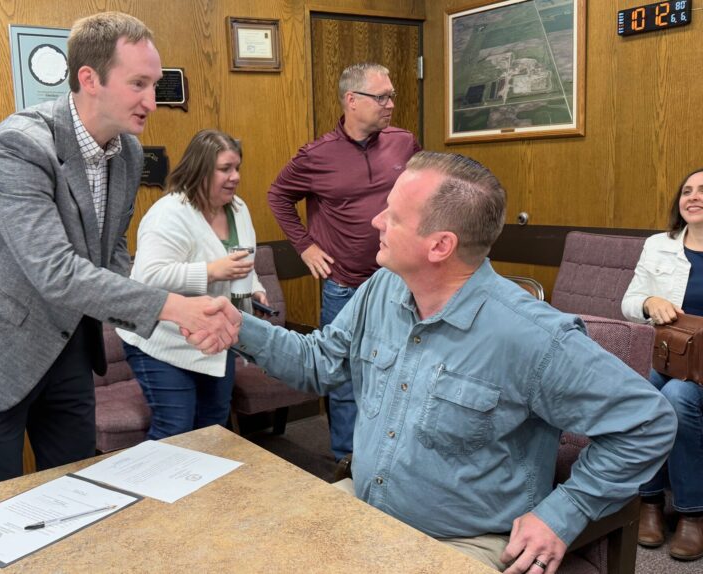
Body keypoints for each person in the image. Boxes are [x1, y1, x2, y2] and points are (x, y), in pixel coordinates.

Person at [232, 151, 676, 572]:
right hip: (364, 506)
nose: (376, 221)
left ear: (440, 245)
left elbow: (648, 422)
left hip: (465, 541)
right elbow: (319, 363)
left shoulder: (531, 335)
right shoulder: (381, 289)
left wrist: (566, 511)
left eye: (393, 215)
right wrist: (235, 327)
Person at [0, 13, 240, 490]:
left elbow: (112, 255)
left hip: (70, 349)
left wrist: (175, 317)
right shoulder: (19, 145)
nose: (151, 101)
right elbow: (56, 271)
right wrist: (173, 305)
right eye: (138, 83)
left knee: (72, 492)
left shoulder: (129, 153)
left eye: (155, 84)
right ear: (89, 78)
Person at [268, 62, 420, 460]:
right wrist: (305, 246)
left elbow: (424, 194)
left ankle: (395, 459)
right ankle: (346, 462)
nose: (390, 103)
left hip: (400, 284)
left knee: (404, 372)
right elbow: (278, 196)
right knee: (344, 379)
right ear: (352, 101)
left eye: (392, 95)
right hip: (345, 287)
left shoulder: (405, 144)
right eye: (382, 96)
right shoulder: (317, 156)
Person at [118, 130, 268, 439]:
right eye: (225, 169)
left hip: (216, 339)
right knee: (175, 429)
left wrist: (254, 285)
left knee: (213, 428)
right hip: (163, 342)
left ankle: (203, 488)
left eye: (237, 167)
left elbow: (239, 259)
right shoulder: (169, 215)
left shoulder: (237, 209)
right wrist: (211, 271)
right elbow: (148, 277)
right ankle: (152, 487)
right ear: (200, 169)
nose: (235, 176)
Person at [621, 168, 703, 561]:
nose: (693, 196)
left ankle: (691, 513)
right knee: (640, 391)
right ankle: (649, 501)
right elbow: (629, 300)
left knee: (675, 398)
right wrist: (649, 303)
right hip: (667, 355)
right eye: (687, 191)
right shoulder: (659, 245)